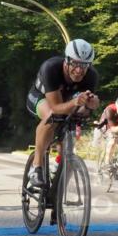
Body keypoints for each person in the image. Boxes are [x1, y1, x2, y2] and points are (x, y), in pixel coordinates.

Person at [25, 39, 101, 190]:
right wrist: (75, 103)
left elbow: (83, 110)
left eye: (84, 65)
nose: (79, 70)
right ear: (66, 60)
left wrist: (91, 105)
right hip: (40, 97)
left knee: (71, 128)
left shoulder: (91, 76)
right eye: (75, 64)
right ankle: (37, 166)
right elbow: (55, 108)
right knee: (52, 118)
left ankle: (58, 193)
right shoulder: (51, 68)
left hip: (66, 100)